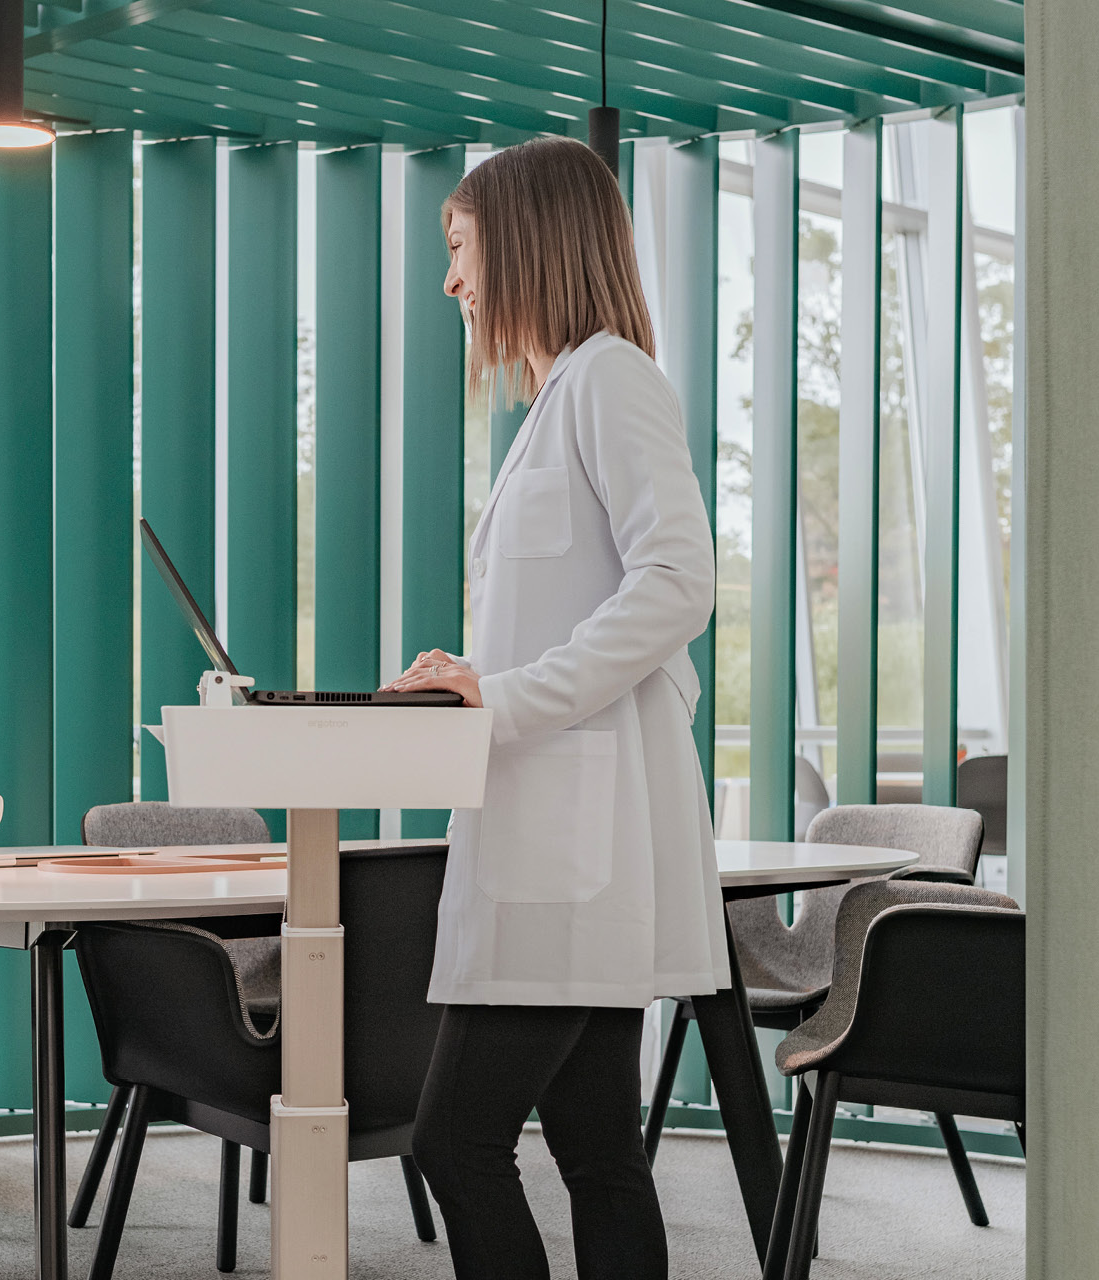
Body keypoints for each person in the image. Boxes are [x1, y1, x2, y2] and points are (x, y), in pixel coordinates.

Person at [382, 136, 728, 1280]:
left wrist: (512, 691)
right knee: (596, 1148)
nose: (451, 281)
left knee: (455, 1139)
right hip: (558, 829)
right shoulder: (560, 397)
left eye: (461, 248)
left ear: (523, 240)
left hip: (577, 839)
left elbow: (679, 581)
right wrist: (478, 672)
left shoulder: (611, 377)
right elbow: (573, 604)